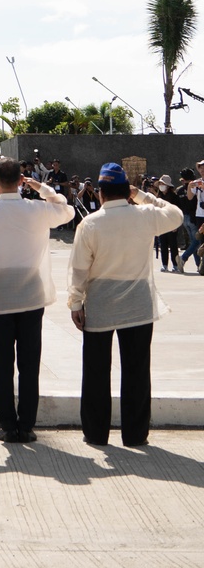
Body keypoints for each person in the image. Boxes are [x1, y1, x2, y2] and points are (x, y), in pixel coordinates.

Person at [68, 162, 184, 447]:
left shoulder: (90, 223)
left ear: (100, 193)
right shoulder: (144, 215)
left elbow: (79, 269)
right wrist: (144, 196)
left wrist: (75, 302)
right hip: (138, 304)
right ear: (126, 190)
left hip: (100, 303)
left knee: (96, 371)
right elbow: (176, 215)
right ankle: (135, 435)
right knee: (136, 370)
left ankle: (96, 433)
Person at [0, 155, 72, 443]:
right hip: (31, 294)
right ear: (21, 181)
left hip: (0, 296)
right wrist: (43, 189)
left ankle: (7, 424)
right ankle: (26, 424)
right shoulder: (38, 209)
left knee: (2, 365)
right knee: (29, 365)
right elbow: (67, 211)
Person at [155, 175, 183, 273]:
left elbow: (178, 211)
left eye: (163, 184)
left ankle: (175, 265)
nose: (161, 186)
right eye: (160, 184)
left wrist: (176, 225)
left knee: (173, 245)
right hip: (162, 223)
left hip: (172, 224)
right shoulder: (159, 197)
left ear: (168, 185)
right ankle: (164, 264)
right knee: (163, 245)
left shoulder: (174, 197)